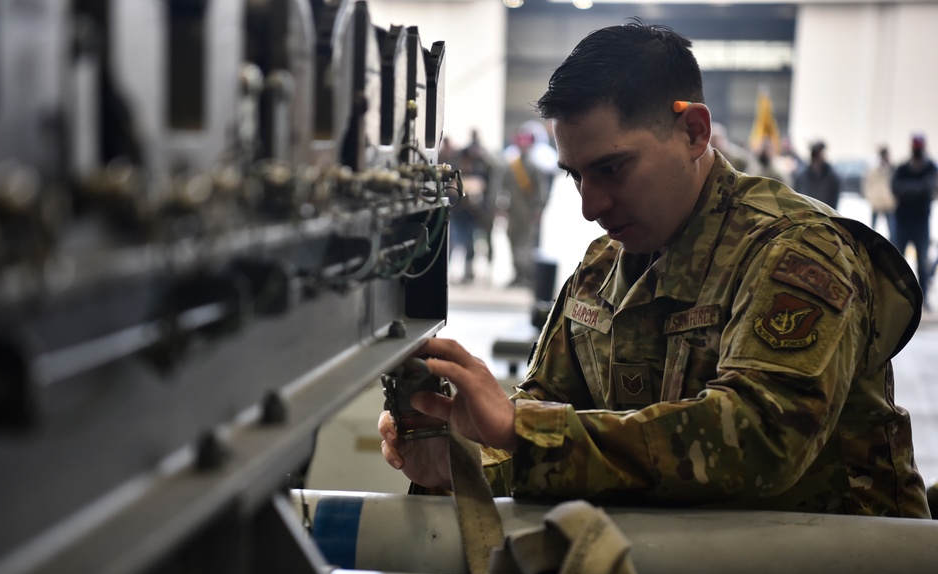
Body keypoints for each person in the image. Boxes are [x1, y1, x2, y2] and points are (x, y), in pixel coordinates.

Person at [379, 21, 930, 518]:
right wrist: (458, 454)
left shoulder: (797, 250)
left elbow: (762, 439)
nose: (590, 207)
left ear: (694, 132)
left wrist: (519, 433)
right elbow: (545, 411)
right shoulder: (602, 271)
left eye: (612, 168)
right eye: (575, 176)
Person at [498, 121, 556, 287]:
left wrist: (539, 209)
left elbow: (541, 192)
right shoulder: (510, 167)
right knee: (513, 241)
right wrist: (501, 208)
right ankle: (518, 275)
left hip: (529, 212)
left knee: (526, 245)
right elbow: (503, 190)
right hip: (513, 212)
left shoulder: (535, 167)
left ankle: (526, 276)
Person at [891, 133, 938, 305]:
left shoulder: (931, 167)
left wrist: (909, 190)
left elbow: (930, 187)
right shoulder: (903, 168)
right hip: (902, 220)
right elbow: (895, 188)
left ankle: (923, 297)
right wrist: (918, 189)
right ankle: (896, 295)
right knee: (897, 259)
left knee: (922, 260)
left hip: (921, 221)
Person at [447, 130, 499, 283]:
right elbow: (450, 187)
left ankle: (469, 272)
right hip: (458, 209)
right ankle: (450, 269)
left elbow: (490, 183)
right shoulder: (457, 164)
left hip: (474, 210)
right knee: (454, 240)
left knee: (471, 242)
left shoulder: (484, 165)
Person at [792, 141, 840, 209]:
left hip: (825, 215)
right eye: (816, 155)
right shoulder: (802, 177)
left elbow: (834, 202)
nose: (818, 158)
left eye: (820, 154)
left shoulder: (832, 178)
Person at [862, 146, 896, 235]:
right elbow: (867, 185)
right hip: (876, 202)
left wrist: (892, 199)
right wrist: (871, 197)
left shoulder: (892, 170)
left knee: (892, 230)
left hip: (888, 203)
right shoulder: (873, 171)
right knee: (872, 229)